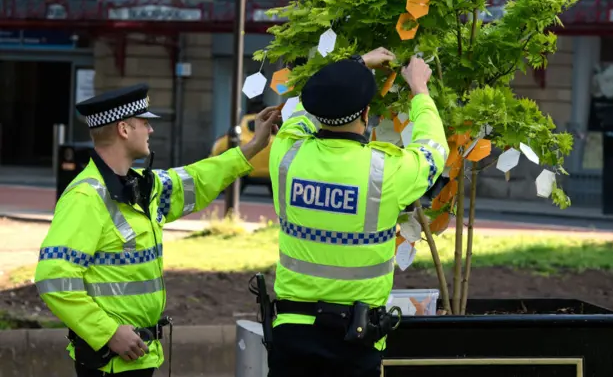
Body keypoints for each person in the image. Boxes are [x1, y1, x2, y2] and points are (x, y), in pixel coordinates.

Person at [34, 83, 280, 377]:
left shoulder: (143, 187)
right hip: (109, 362)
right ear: (124, 129)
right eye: (144, 123)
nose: (150, 130)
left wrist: (253, 146)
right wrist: (109, 333)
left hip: (138, 357)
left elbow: (199, 179)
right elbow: (54, 277)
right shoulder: (84, 199)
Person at [264, 48, 449, 377]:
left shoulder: (285, 154)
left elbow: (305, 111)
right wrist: (419, 88)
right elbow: (434, 149)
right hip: (356, 337)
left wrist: (355, 66)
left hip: (291, 333)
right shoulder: (385, 170)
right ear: (366, 112)